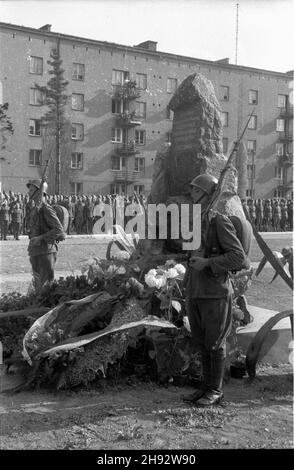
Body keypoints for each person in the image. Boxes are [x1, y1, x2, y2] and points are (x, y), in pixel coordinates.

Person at [183, 174, 251, 407]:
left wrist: (208, 263)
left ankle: (215, 390)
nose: (191, 194)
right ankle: (205, 387)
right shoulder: (196, 219)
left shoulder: (218, 220)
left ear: (207, 194)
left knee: (214, 343)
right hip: (196, 290)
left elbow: (239, 258)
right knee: (202, 342)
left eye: (195, 190)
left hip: (215, 292)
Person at [26, 179, 66, 289]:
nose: (28, 192)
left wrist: (41, 238)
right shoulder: (35, 209)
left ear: (39, 192)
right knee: (38, 287)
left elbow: (59, 230)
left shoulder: (46, 209)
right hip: (36, 251)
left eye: (31, 190)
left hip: (46, 252)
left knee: (45, 288)